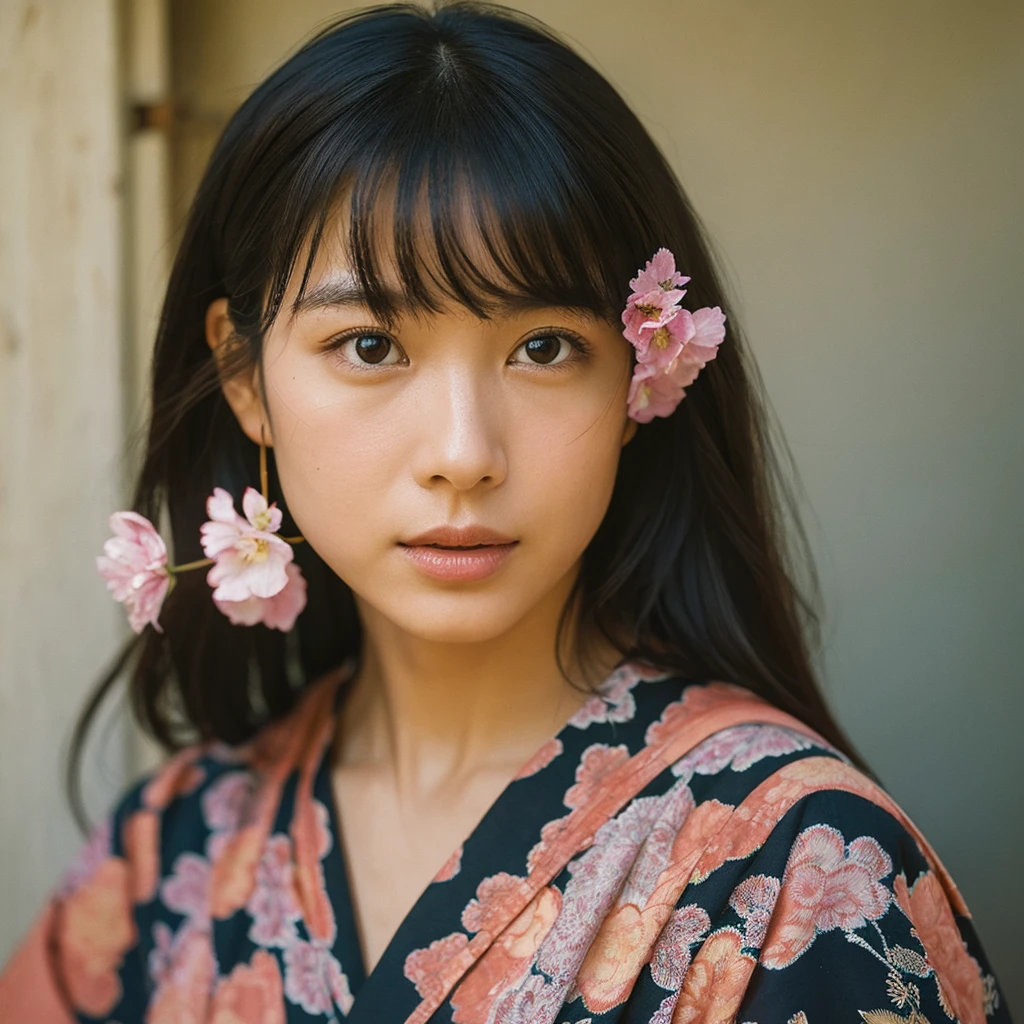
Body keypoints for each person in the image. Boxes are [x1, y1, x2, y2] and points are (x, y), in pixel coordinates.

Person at [0, 3, 1010, 1022]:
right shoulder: (169, 857)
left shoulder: (804, 877)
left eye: (543, 348)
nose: (462, 456)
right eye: (369, 345)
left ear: (641, 377)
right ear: (243, 372)